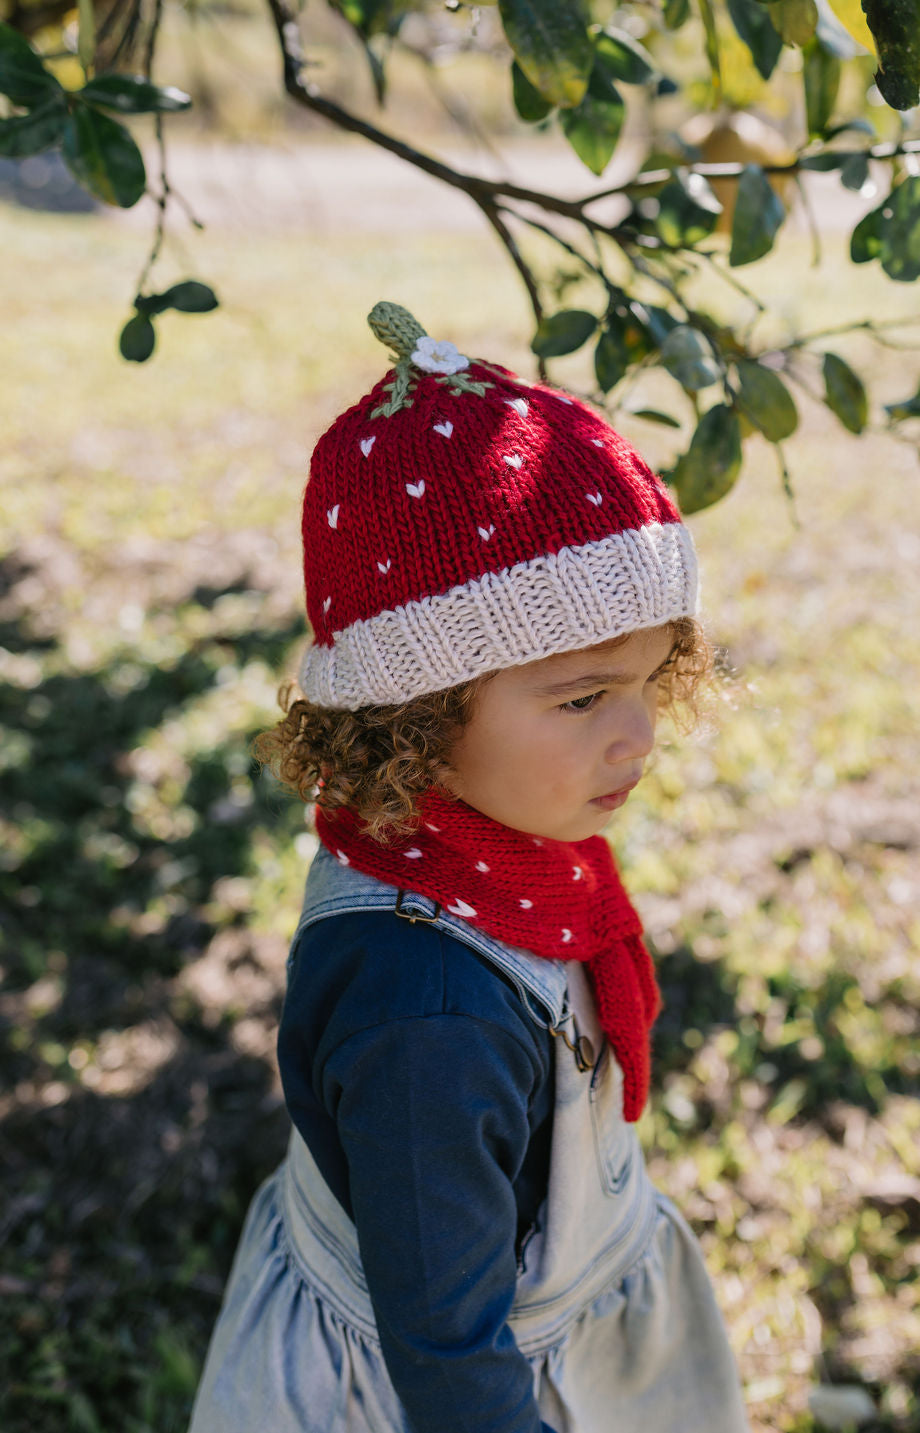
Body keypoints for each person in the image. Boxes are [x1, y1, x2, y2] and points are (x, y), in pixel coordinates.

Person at [188, 301, 750, 1433]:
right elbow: (447, 1344)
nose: (637, 734)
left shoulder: (485, 854)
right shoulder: (429, 1016)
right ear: (419, 714)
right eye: (583, 698)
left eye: (648, 679)